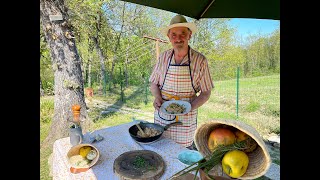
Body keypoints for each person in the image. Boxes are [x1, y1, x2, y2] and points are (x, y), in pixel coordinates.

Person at [149, 14, 214, 149]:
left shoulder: (200, 60)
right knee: (162, 149)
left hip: (187, 117)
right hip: (163, 114)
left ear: (189, 35)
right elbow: (154, 83)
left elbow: (206, 92)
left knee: (183, 155)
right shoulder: (163, 57)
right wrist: (157, 97)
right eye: (174, 35)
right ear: (169, 37)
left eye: (183, 34)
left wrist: (190, 107)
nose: (178, 38)